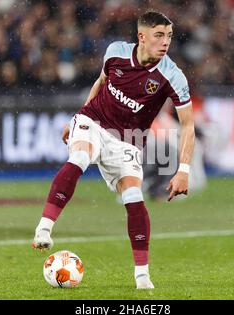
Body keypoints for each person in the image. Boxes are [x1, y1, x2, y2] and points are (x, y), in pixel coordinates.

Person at [32, 10, 195, 289]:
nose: (165, 42)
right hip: (94, 122)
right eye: (158, 35)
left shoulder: (172, 76)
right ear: (141, 36)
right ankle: (44, 227)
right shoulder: (115, 53)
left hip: (128, 140)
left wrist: (183, 171)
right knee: (80, 156)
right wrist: (78, 116)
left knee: (133, 197)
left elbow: (188, 125)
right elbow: (100, 82)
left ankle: (142, 277)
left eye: (168, 36)